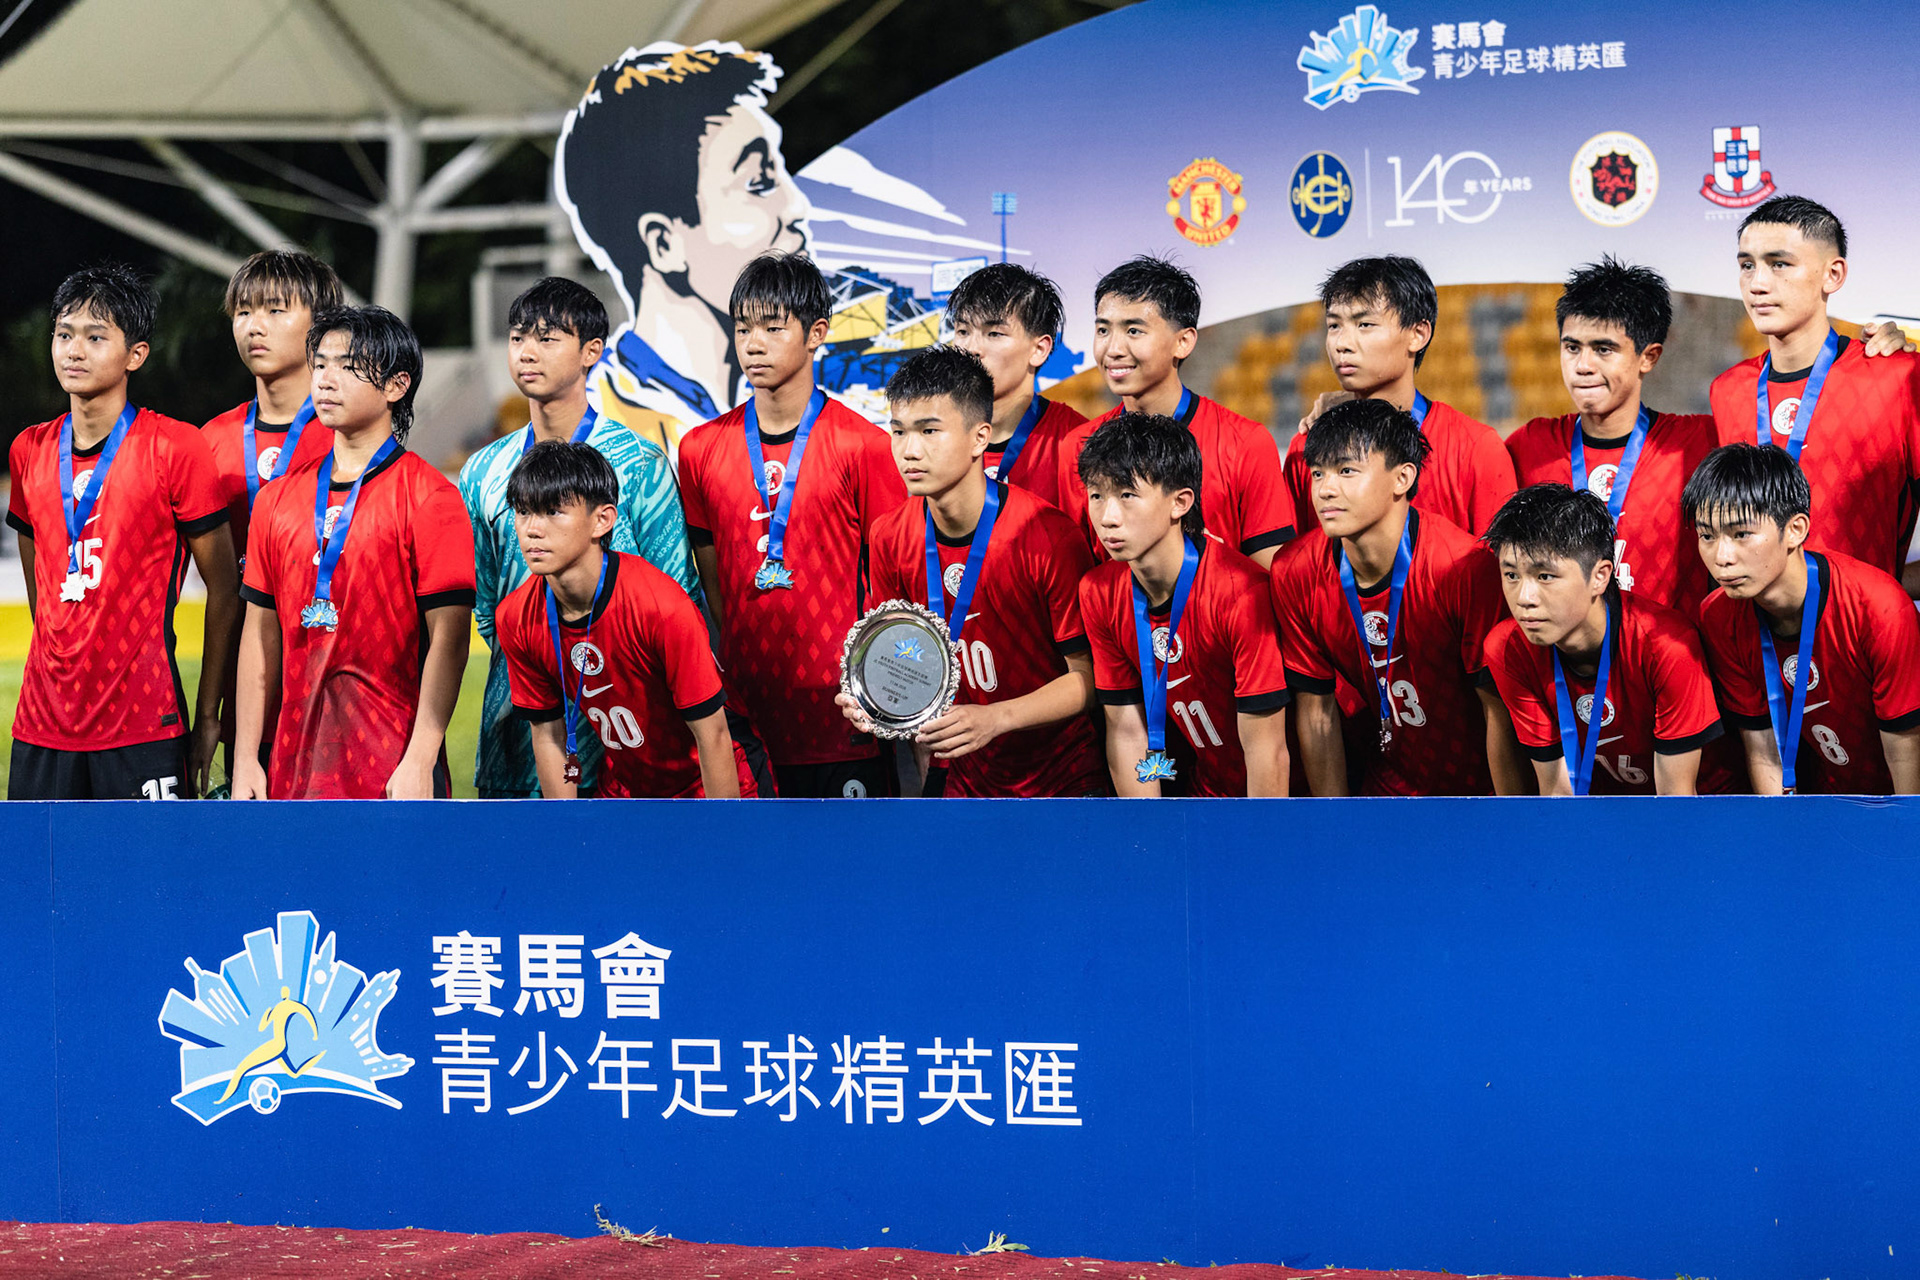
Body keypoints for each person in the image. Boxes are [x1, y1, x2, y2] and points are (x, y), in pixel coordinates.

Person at [458, 276, 700, 798]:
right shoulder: (481, 471)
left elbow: (678, 596)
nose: (527, 351)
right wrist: (538, 657)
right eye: (518, 337)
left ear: (592, 351)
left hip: (627, 719)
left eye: (548, 339)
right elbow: (483, 601)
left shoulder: (639, 465)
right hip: (523, 708)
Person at [678, 252, 907, 798]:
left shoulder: (867, 446)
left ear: (816, 334)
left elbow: (891, 586)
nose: (753, 344)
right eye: (742, 329)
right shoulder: (699, 450)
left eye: (773, 328)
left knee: (852, 876)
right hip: (746, 714)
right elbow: (716, 586)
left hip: (846, 714)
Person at [5, 264, 238, 800]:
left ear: (136, 355)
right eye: (64, 335)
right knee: (41, 884)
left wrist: (208, 717)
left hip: (143, 721)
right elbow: (38, 568)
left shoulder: (176, 448)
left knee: (153, 883)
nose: (73, 351)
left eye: (95, 337)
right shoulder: (30, 451)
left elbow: (224, 590)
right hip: (42, 724)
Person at [233, 306, 475, 799]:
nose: (325, 379)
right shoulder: (276, 500)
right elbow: (259, 634)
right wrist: (244, 760)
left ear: (396, 385)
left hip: (392, 767)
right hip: (291, 769)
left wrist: (421, 758)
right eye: (319, 364)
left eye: (346, 365)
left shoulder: (431, 497)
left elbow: (450, 640)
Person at [841, 346, 1101, 796]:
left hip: (1061, 783)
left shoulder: (1047, 535)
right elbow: (899, 657)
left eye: (929, 430)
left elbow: (1088, 679)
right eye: (898, 431)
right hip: (961, 781)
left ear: (980, 438)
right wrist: (876, 701)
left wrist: (996, 717)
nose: (909, 450)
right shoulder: (888, 536)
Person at [556, 40, 810, 461]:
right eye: (759, 182)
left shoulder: (789, 404)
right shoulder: (600, 432)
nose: (796, 206)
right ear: (664, 243)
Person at [1271, 397, 1522, 797]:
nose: (1325, 489)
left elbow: (1498, 711)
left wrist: (1509, 820)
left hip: (1478, 791)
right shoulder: (1294, 571)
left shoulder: (1463, 567)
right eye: (1318, 474)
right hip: (1385, 786)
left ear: (1403, 478)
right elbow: (1317, 712)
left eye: (1346, 470)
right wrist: (1338, 827)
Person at [496, 441, 752, 798]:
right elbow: (548, 736)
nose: (532, 529)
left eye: (553, 511)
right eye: (523, 512)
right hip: (625, 794)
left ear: (602, 520)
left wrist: (723, 841)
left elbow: (713, 736)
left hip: (707, 788)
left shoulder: (660, 606)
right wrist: (566, 835)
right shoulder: (515, 617)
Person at [1076, 411, 1291, 797]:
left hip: (1275, 803)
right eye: (1096, 495)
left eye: (1127, 495)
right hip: (1203, 795)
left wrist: (1261, 845)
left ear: (1180, 502)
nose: (1107, 517)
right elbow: (1127, 731)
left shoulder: (1241, 593)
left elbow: (1267, 749)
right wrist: (1149, 835)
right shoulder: (1098, 592)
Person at [1686, 443, 1920, 795]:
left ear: (1795, 529)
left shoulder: (1879, 608)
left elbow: (1906, 755)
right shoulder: (1717, 615)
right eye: (1707, 535)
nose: (1722, 557)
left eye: (1741, 534)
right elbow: (1763, 748)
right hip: (1827, 802)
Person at [1708, 196, 1920, 581]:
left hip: (1860, 638)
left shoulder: (1899, 378)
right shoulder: (1728, 390)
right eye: (1746, 265)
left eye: (1779, 264)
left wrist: (1882, 594)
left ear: (1833, 275)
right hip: (1753, 635)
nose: (1757, 283)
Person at [199, 250, 344, 782]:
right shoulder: (208, 442)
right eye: (243, 311)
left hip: (334, 687)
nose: (254, 327)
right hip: (245, 681)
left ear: (321, 325)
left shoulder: (350, 436)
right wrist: (208, 711)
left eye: (276, 310)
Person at [1505, 257, 1719, 615]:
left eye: (1603, 349)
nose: (1583, 365)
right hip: (1563, 666)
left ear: (1648, 357)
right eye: (1571, 347)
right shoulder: (1529, 446)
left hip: (1671, 662)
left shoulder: (1695, 444)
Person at [1482, 484, 1723, 796]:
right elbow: (1558, 793)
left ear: (1600, 575)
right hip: (1595, 815)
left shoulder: (1667, 646)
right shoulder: (1506, 649)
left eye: (1545, 577)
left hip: (1703, 812)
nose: (1525, 598)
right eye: (1512, 575)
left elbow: (1675, 802)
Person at [1056, 255, 1293, 567]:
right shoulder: (1077, 446)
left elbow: (1274, 577)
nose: (1112, 349)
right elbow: (1080, 575)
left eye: (1133, 331)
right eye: (1103, 330)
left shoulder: (1246, 443)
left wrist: (1210, 566)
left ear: (1183, 342)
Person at [1283, 255, 1514, 536]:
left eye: (1364, 324)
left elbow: (1501, 574)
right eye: (1334, 326)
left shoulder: (1477, 450)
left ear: (1418, 334)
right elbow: (1296, 570)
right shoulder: (1306, 450)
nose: (1341, 344)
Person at [943, 262, 1086, 510]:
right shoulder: (930, 439)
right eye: (963, 331)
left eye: (994, 334)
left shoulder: (1078, 445)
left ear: (1039, 349)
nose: (971, 349)